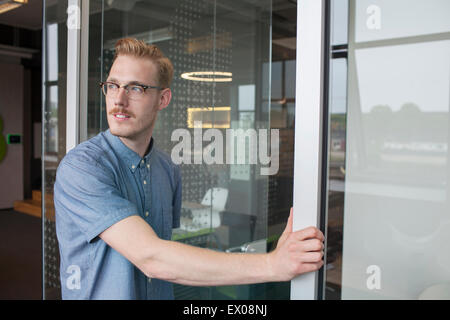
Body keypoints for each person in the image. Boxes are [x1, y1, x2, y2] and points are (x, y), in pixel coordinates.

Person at [54, 37, 325, 300]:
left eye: (136, 88)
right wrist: (272, 265)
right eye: (113, 85)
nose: (119, 100)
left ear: (163, 99)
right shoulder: (82, 168)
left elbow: (166, 254)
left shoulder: (167, 169)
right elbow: (152, 257)